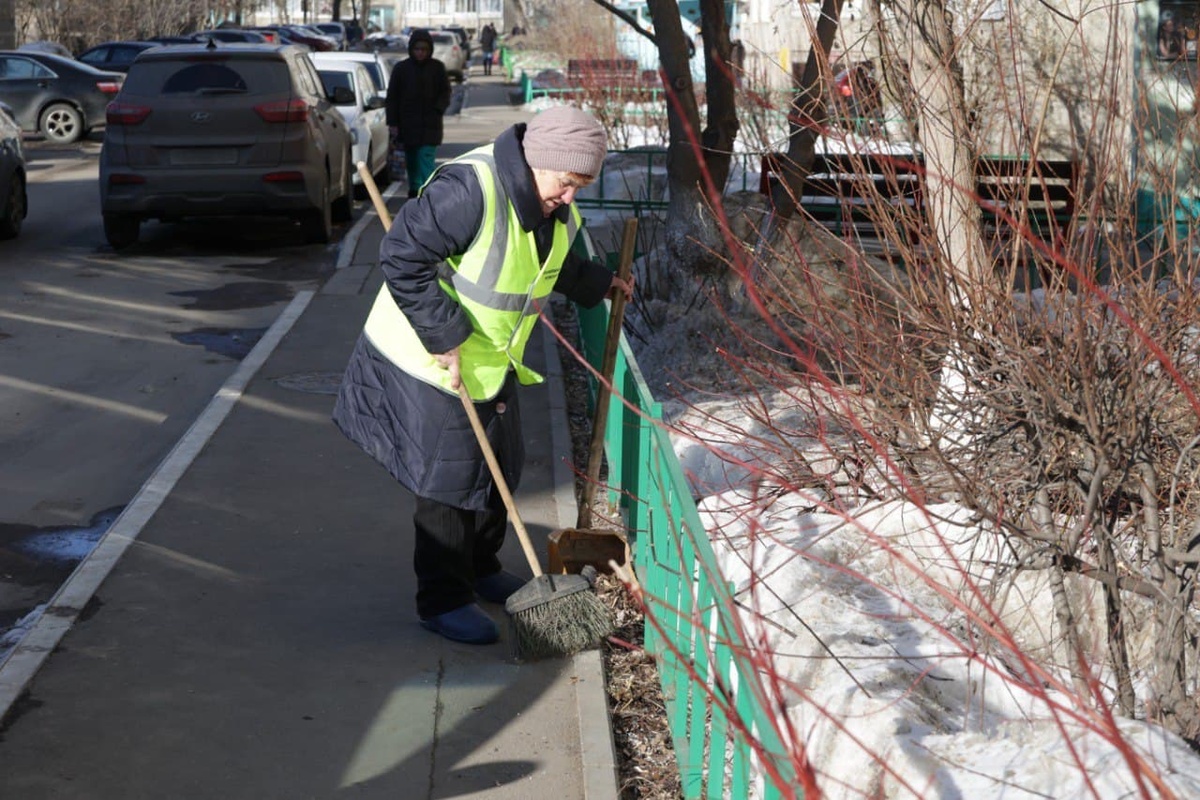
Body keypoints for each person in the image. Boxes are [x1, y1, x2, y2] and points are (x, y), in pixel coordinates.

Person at [332, 106, 633, 645]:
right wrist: (443, 333)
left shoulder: (553, 206)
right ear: (539, 162)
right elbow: (401, 255)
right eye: (566, 183)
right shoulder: (471, 190)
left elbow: (551, 263)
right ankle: (443, 599)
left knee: (499, 468)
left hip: (492, 360)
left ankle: (482, 566)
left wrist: (598, 283)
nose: (570, 197)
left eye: (579, 187)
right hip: (428, 357)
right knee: (448, 482)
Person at [385, 29, 451, 198]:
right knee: (412, 160)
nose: (421, 53)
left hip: (430, 125)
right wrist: (393, 123)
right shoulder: (402, 69)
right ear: (411, 49)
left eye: (424, 49)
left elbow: (445, 92)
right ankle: (415, 190)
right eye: (417, 49)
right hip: (407, 125)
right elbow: (392, 97)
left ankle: (428, 192)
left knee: (426, 159)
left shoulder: (437, 68)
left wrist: (437, 109)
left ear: (429, 50)